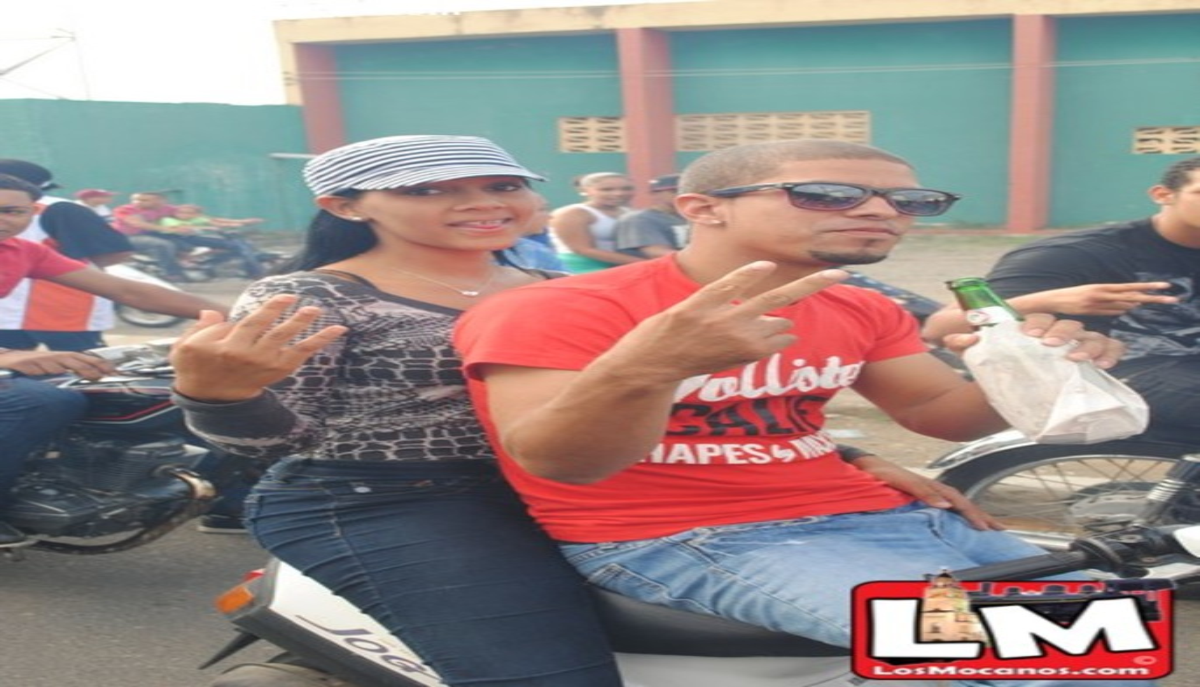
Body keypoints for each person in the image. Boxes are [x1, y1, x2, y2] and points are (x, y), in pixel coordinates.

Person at [453, 139, 1142, 687]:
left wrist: (1039, 370)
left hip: (891, 517)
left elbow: (940, 413)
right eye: (827, 194)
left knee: (1114, 634)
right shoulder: (561, 308)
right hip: (682, 536)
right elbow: (560, 462)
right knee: (1034, 648)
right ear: (702, 208)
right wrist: (653, 364)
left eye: (909, 200)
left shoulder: (861, 306)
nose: (881, 211)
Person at [167, 134, 625, 687]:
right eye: (428, 190)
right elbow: (281, 441)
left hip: (570, 488)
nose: (483, 203)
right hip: (385, 498)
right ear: (345, 206)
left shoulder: (566, 289)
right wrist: (216, 396)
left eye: (503, 186)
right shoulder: (313, 297)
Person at [0, 173, 226, 546]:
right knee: (41, 400)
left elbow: (127, 290)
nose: (3, 219)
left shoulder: (24, 251)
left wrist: (243, 315)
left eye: (13, 211)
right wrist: (9, 355)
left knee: (138, 390)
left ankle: (229, 503)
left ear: (31, 213)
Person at [922, 156, 1200, 436]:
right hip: (1115, 374)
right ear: (1163, 195)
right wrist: (1047, 300)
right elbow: (941, 328)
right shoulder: (1079, 253)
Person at [0, 161, 133, 351]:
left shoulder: (58, 210)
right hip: (38, 310)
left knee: (73, 364)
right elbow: (117, 252)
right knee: (78, 364)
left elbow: (116, 254)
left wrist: (62, 270)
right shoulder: (61, 208)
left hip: (43, 310)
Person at [548, 172, 641, 273]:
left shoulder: (630, 212)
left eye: (627, 189)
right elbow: (583, 249)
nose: (619, 193)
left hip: (622, 265)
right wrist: (643, 263)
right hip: (581, 267)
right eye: (606, 189)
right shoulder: (572, 213)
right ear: (585, 190)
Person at [158, 204, 268, 279]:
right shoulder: (168, 220)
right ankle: (256, 272)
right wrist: (208, 228)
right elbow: (184, 229)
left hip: (195, 238)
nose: (183, 214)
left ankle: (213, 264)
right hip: (180, 240)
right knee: (238, 246)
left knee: (239, 245)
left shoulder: (198, 219)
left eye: (189, 213)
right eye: (180, 212)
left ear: (197, 214)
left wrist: (242, 222)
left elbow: (216, 221)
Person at [112, 191, 188, 281]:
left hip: (151, 234)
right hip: (126, 237)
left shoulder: (168, 208)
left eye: (144, 200)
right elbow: (138, 223)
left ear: (160, 201)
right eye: (135, 199)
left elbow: (190, 215)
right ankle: (172, 274)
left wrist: (188, 226)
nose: (137, 202)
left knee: (192, 239)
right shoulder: (125, 209)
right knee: (162, 245)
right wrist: (170, 229)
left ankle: (192, 263)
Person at [614, 173, 688, 258]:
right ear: (656, 193)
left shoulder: (691, 216)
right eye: (675, 191)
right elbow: (655, 252)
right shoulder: (639, 219)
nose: (683, 194)